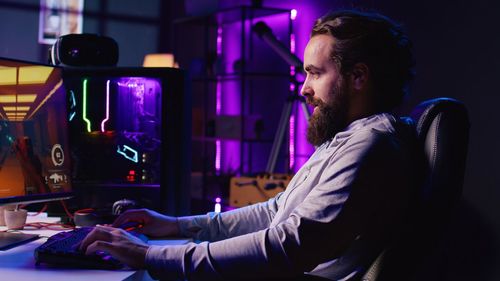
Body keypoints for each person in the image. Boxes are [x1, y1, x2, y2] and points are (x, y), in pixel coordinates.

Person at [80, 9, 420, 280]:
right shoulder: (345, 140)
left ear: (358, 77)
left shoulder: (369, 146)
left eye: (315, 73)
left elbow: (289, 246)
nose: (304, 88)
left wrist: (149, 255)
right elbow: (274, 213)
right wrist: (175, 225)